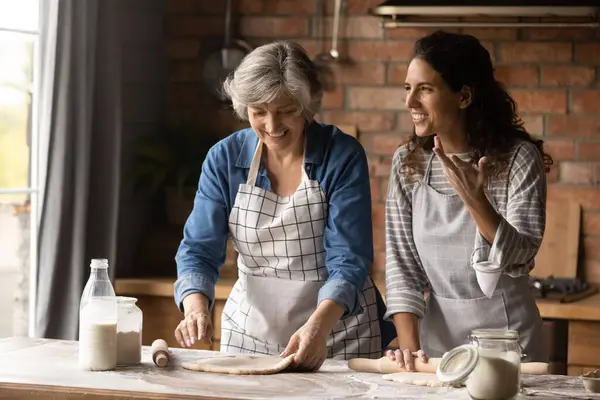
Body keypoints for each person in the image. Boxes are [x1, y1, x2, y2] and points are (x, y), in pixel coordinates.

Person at [173, 40, 394, 371]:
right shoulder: (225, 159)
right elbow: (198, 250)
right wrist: (195, 308)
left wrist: (318, 326)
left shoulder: (341, 156)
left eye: (286, 110)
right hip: (250, 334)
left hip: (337, 332)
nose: (272, 127)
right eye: (259, 112)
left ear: (306, 106)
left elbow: (349, 258)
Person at [383, 30, 553, 370]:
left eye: (425, 89)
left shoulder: (518, 159)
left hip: (508, 345)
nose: (410, 101)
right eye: (407, 88)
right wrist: (411, 351)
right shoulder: (407, 163)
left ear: (463, 96)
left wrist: (476, 200)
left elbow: (521, 255)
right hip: (437, 349)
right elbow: (402, 267)